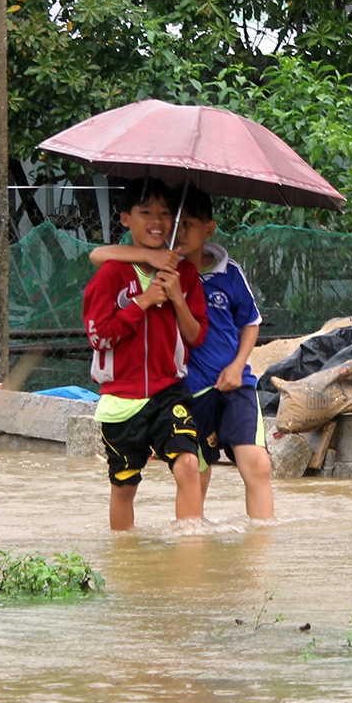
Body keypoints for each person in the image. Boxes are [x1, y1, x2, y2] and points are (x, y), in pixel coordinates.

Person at [91, 187, 274, 521]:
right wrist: (150, 279)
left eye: (185, 223)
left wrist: (237, 366)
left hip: (224, 384)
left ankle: (257, 561)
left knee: (254, 465)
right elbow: (99, 257)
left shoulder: (221, 273)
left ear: (209, 228)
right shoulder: (143, 271)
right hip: (189, 389)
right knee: (189, 473)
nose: (175, 231)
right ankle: (191, 554)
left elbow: (244, 324)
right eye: (173, 224)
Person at [82, 183, 208, 531]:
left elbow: (196, 336)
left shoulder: (186, 274)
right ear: (126, 218)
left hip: (170, 391)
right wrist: (144, 302)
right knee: (125, 486)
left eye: (165, 213)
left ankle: (191, 554)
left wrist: (177, 298)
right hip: (121, 399)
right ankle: (125, 562)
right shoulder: (110, 274)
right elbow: (99, 337)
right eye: (146, 212)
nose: (157, 221)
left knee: (187, 464)